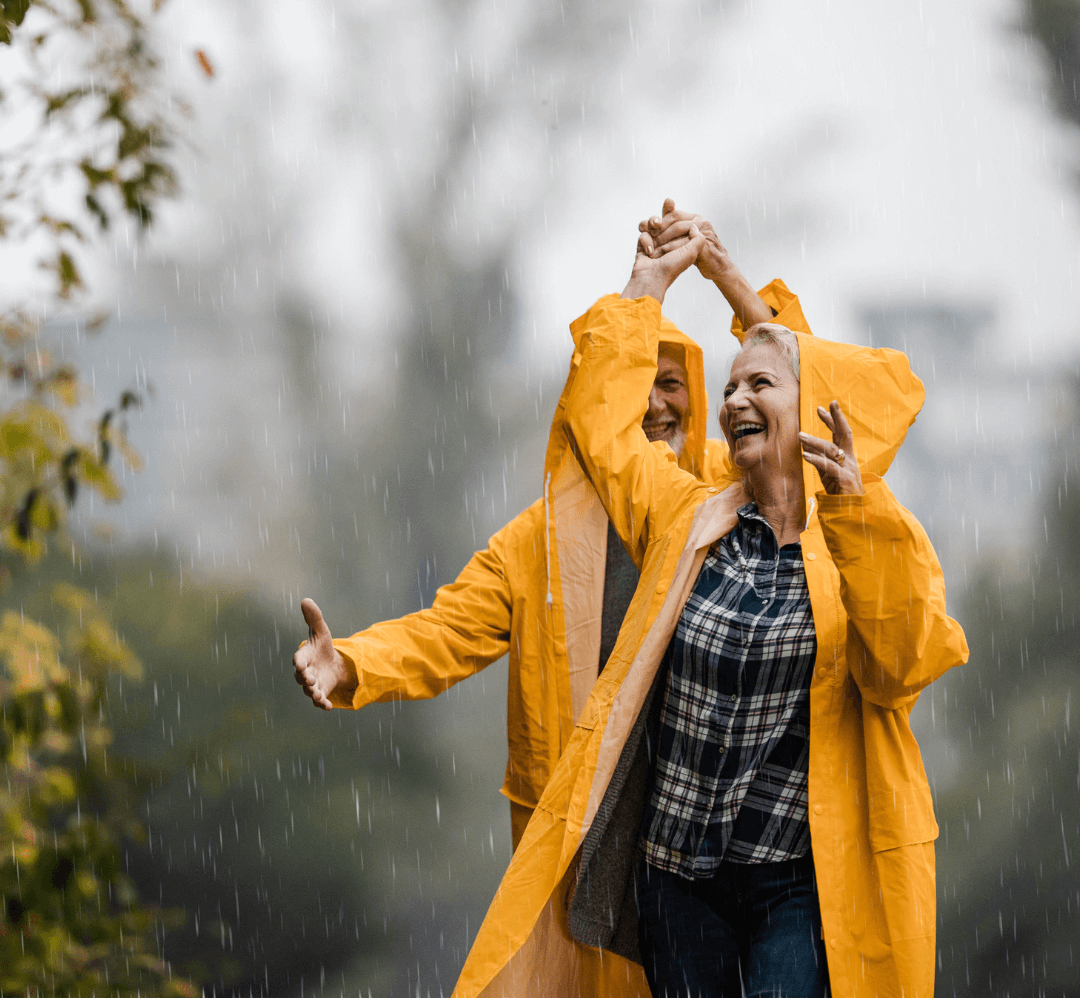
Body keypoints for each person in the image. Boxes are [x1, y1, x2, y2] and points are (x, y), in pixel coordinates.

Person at [449, 225, 968, 998]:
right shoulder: (687, 513)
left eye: (759, 385)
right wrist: (647, 291)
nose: (732, 400)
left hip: (795, 881)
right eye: (727, 388)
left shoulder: (867, 529)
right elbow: (605, 429)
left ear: (814, 409)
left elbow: (902, 668)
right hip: (676, 880)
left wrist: (728, 277)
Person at [292, 202, 812, 854]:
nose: (654, 403)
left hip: (714, 841)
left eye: (672, 383)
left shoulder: (731, 493)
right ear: (600, 404)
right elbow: (442, 635)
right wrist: (351, 665)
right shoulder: (535, 542)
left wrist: (729, 277)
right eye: (636, 385)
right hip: (579, 838)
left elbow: (813, 405)